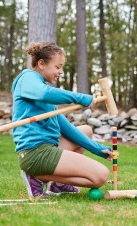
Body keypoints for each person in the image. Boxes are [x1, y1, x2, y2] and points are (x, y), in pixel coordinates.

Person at [12, 41, 114, 199]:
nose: (60, 72)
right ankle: (38, 177)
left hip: (47, 148)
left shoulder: (46, 102)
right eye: (57, 67)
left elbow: (68, 130)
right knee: (101, 176)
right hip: (35, 152)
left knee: (86, 130)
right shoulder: (28, 78)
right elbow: (44, 93)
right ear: (41, 64)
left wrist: (98, 149)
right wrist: (80, 98)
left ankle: (57, 184)